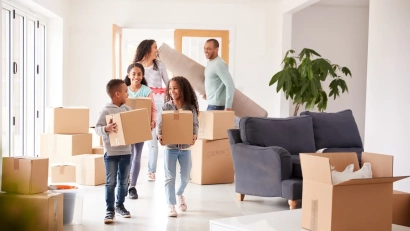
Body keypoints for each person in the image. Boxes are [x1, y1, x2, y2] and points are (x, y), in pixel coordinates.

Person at [157, 76, 199, 217]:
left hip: (185, 148)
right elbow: (160, 125)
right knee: (170, 177)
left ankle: (179, 193)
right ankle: (171, 205)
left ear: (182, 89)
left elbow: (195, 125)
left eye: (175, 88)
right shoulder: (166, 107)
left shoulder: (190, 108)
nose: (172, 91)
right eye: (170, 88)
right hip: (170, 147)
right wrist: (160, 135)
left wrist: (195, 135)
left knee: (186, 177)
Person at [95, 79, 132, 224]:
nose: (127, 94)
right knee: (111, 182)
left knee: (123, 182)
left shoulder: (127, 110)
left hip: (126, 152)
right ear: (117, 94)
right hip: (111, 154)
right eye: (125, 91)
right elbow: (97, 129)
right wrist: (106, 129)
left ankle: (120, 205)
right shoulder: (105, 110)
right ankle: (109, 210)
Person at [134, 39, 169, 181]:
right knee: (137, 138)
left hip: (158, 106)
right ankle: (132, 170)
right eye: (155, 47)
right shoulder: (136, 67)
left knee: (153, 138)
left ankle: (151, 171)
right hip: (141, 105)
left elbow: (168, 83)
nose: (157, 50)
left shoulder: (159, 65)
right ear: (148, 49)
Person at [124, 63, 157, 199]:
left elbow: (153, 109)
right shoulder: (124, 90)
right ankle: (125, 181)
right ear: (129, 75)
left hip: (141, 127)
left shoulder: (146, 91)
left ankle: (133, 186)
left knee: (137, 155)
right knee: (128, 156)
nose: (136, 77)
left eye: (139, 74)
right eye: (134, 74)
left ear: (142, 76)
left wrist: (152, 121)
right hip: (127, 127)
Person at [203, 38, 235, 111]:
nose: (205, 51)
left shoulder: (219, 64)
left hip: (217, 107)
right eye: (204, 48)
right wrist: (208, 93)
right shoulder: (210, 63)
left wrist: (228, 106)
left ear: (216, 50)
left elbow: (230, 84)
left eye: (209, 49)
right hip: (212, 105)